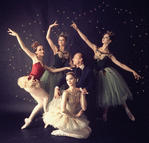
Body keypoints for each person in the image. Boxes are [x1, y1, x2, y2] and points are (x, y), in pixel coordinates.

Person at [71, 21, 141, 121]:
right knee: (104, 94)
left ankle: (127, 109)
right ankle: (104, 115)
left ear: (109, 41)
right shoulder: (96, 48)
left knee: (114, 91)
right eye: (103, 37)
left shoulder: (109, 55)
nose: (103, 38)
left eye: (106, 37)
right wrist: (77, 29)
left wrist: (133, 71)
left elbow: (120, 64)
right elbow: (86, 39)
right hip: (97, 74)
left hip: (106, 74)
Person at [7, 28, 72, 129]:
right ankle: (47, 118)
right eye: (40, 50)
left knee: (41, 103)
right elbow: (24, 48)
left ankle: (28, 120)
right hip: (29, 83)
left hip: (33, 84)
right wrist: (17, 35)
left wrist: (66, 67)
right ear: (36, 52)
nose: (42, 51)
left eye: (43, 49)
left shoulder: (43, 64)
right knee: (46, 97)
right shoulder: (34, 58)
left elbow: (53, 70)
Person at [43, 72, 91, 139]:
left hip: (74, 116)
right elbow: (63, 110)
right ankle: (63, 132)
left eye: (71, 79)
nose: (69, 81)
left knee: (89, 130)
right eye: (67, 80)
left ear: (76, 79)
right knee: (84, 135)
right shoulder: (66, 92)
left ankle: (65, 131)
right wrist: (75, 116)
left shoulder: (79, 91)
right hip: (66, 117)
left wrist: (83, 95)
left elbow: (84, 108)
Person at [40, 21, 72, 101]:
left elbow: (71, 64)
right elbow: (47, 38)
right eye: (59, 40)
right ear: (58, 42)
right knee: (50, 90)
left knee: (59, 91)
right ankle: (49, 107)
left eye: (63, 40)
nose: (61, 42)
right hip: (52, 72)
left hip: (61, 73)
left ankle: (58, 107)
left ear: (65, 42)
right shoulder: (55, 49)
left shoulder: (68, 53)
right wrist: (50, 27)